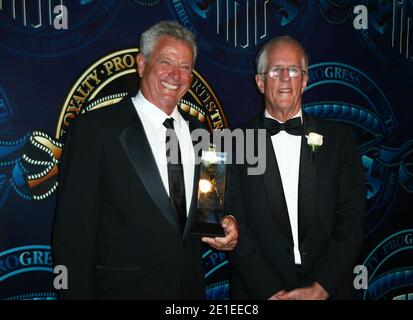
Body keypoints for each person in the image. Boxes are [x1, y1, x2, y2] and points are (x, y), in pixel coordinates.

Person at [52, 21, 238, 300]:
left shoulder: (204, 135)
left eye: (186, 67)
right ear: (141, 64)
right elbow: (71, 235)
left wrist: (227, 224)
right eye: (166, 62)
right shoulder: (95, 129)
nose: (175, 75)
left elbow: (209, 213)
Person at [226, 36, 365, 300]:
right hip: (259, 293)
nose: (286, 78)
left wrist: (321, 287)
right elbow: (235, 226)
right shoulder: (235, 142)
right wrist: (272, 292)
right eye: (276, 70)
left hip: (329, 292)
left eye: (294, 71)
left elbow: (351, 221)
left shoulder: (340, 141)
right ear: (260, 82)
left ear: (305, 80)